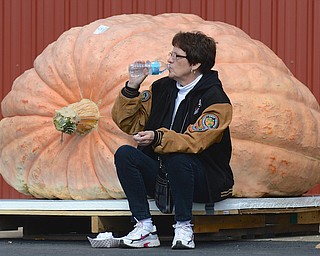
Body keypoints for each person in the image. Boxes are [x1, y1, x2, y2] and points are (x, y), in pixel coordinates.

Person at [111, 31, 234, 249]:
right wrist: (132, 87)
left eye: (176, 56)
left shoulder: (216, 100)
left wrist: (157, 136)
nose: (169, 59)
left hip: (201, 180)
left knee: (179, 158)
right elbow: (130, 124)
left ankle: (184, 226)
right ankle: (144, 226)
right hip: (164, 176)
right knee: (125, 154)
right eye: (171, 53)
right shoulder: (161, 88)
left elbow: (194, 142)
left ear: (195, 64)